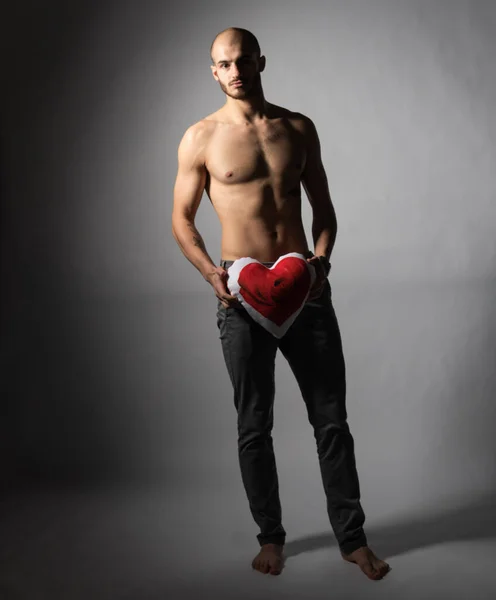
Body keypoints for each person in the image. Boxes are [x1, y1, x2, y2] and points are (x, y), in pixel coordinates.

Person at [171, 27, 391, 581]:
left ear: (261, 61)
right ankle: (271, 539)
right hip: (242, 297)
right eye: (224, 63)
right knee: (254, 425)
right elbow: (181, 219)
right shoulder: (200, 137)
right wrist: (209, 275)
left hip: (305, 293)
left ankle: (353, 540)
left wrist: (321, 262)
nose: (236, 70)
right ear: (214, 72)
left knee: (331, 421)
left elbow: (325, 209)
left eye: (244, 59)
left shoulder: (297, 128)